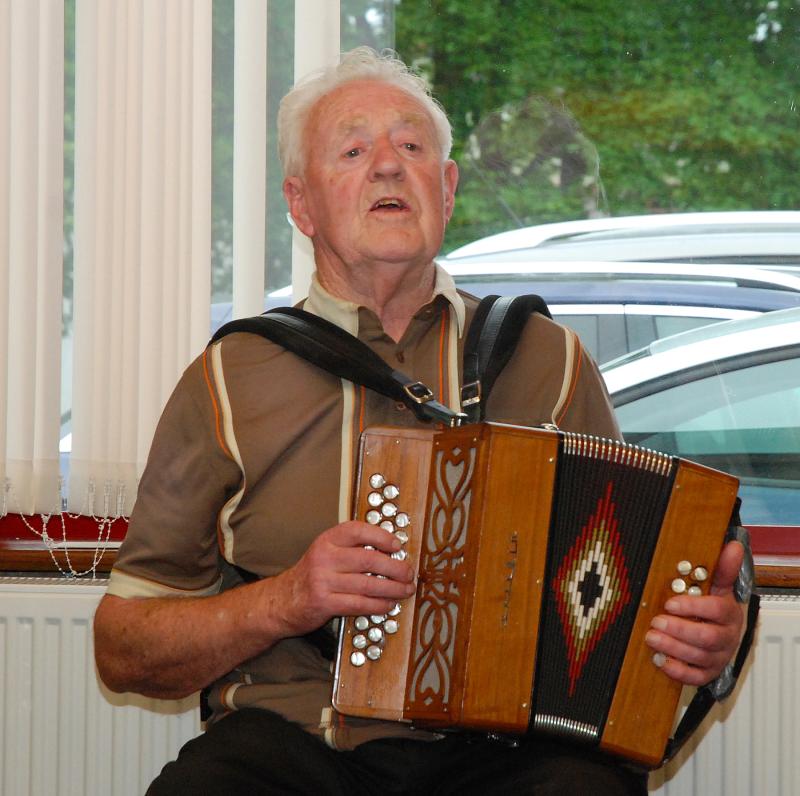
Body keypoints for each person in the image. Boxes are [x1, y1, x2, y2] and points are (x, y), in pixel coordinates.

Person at [93, 47, 746, 795]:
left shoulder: (547, 360)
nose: (387, 166)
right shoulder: (229, 378)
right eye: (352, 150)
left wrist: (701, 640)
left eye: (411, 146)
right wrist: (288, 598)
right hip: (298, 747)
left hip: (510, 756)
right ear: (301, 205)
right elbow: (124, 647)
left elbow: (626, 593)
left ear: (448, 186)